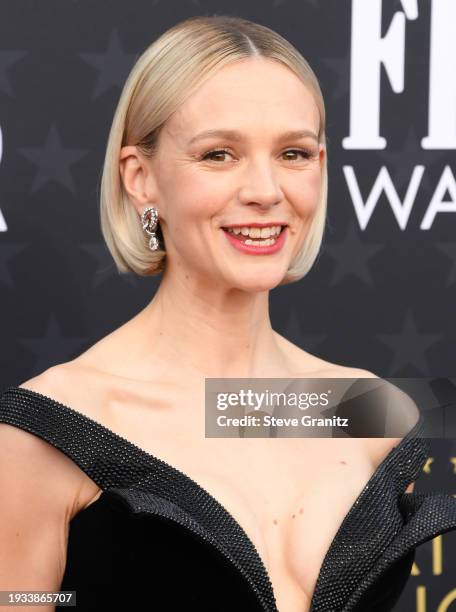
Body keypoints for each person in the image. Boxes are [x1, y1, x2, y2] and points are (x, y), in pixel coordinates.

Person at [1, 14, 455, 612]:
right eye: (219, 154)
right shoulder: (46, 434)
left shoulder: (359, 406)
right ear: (141, 178)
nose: (266, 190)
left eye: (294, 153)